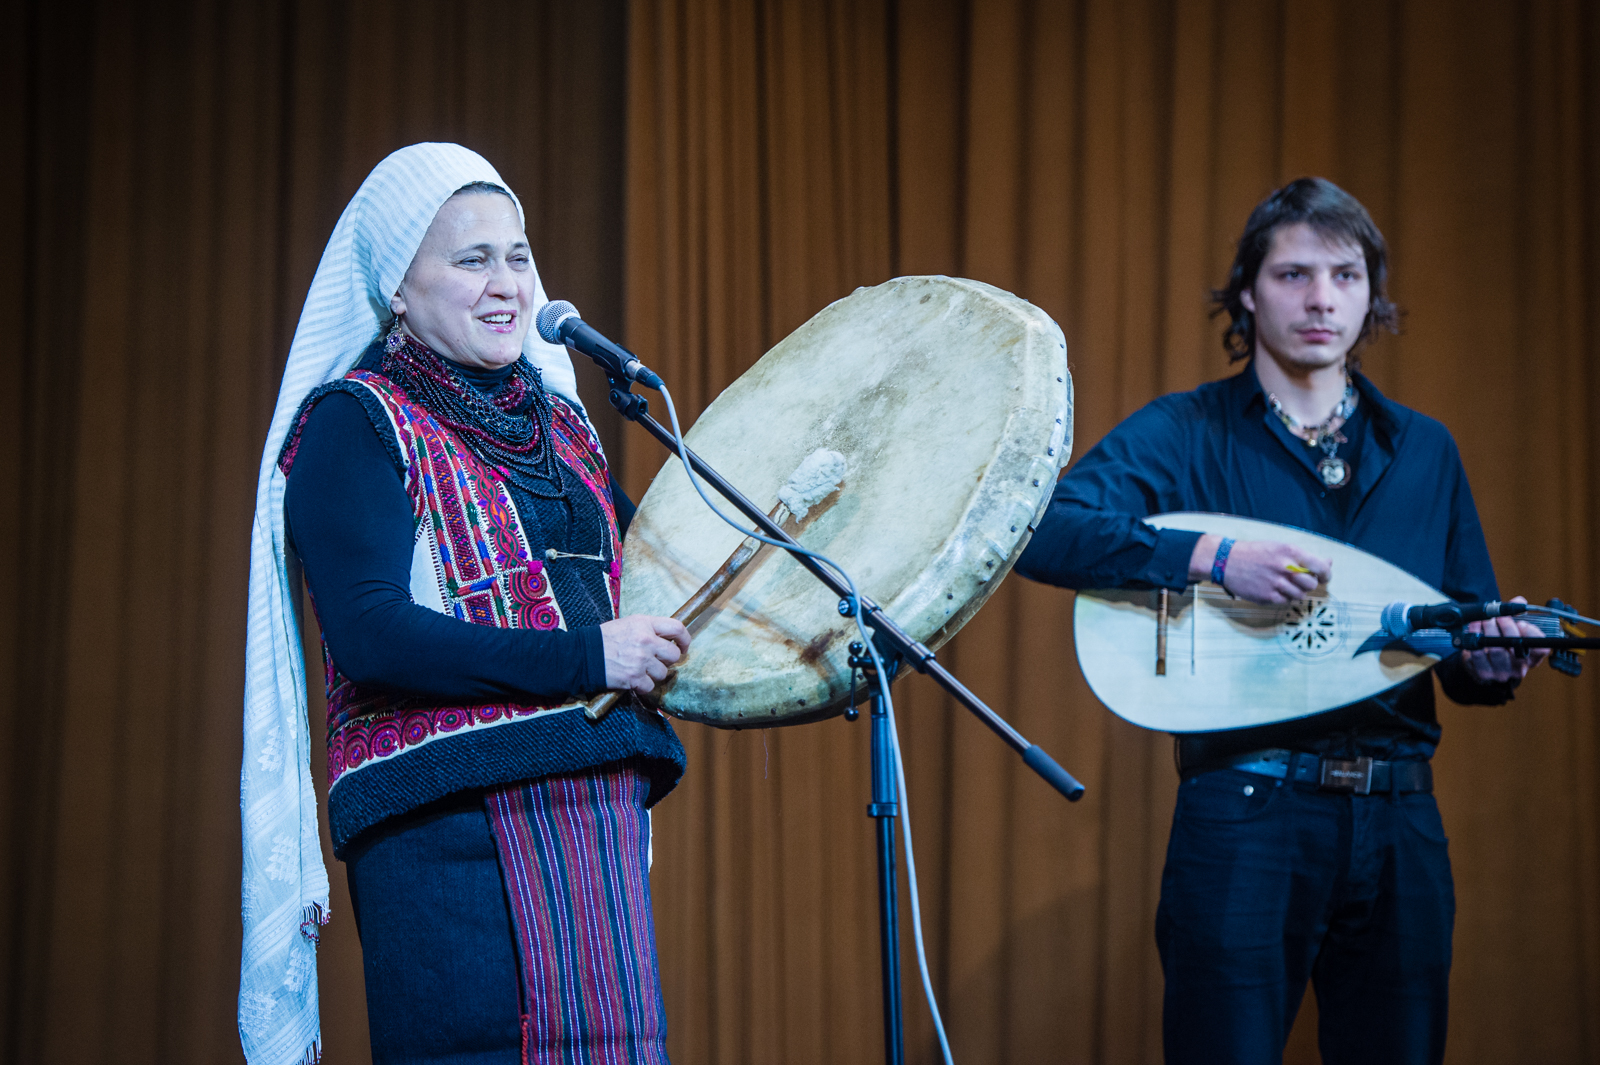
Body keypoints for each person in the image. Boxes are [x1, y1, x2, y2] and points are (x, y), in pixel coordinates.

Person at [1016, 177, 1547, 1065]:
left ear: (1372, 296)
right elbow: (1043, 530)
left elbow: (1457, 641)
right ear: (1248, 292)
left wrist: (1491, 664)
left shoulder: (1425, 450)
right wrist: (1212, 560)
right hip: (1247, 811)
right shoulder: (1186, 433)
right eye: (1295, 273)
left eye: (1345, 275)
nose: (1321, 299)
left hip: (1401, 815)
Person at [240, 143, 689, 1065]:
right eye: (470, 258)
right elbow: (369, 633)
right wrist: (585, 658)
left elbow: (657, 572)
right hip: (445, 838)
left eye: (517, 256)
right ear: (398, 289)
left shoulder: (563, 425)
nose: (507, 285)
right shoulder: (355, 421)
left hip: (594, 813)